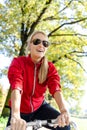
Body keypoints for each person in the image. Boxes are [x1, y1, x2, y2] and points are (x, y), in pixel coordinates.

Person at [6, 31, 70, 130]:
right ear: (29, 45)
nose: (41, 45)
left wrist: (64, 110)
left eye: (45, 43)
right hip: (20, 110)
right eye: (37, 41)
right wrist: (15, 115)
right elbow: (16, 87)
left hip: (40, 107)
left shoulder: (49, 67)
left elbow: (56, 88)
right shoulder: (18, 62)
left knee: (65, 126)